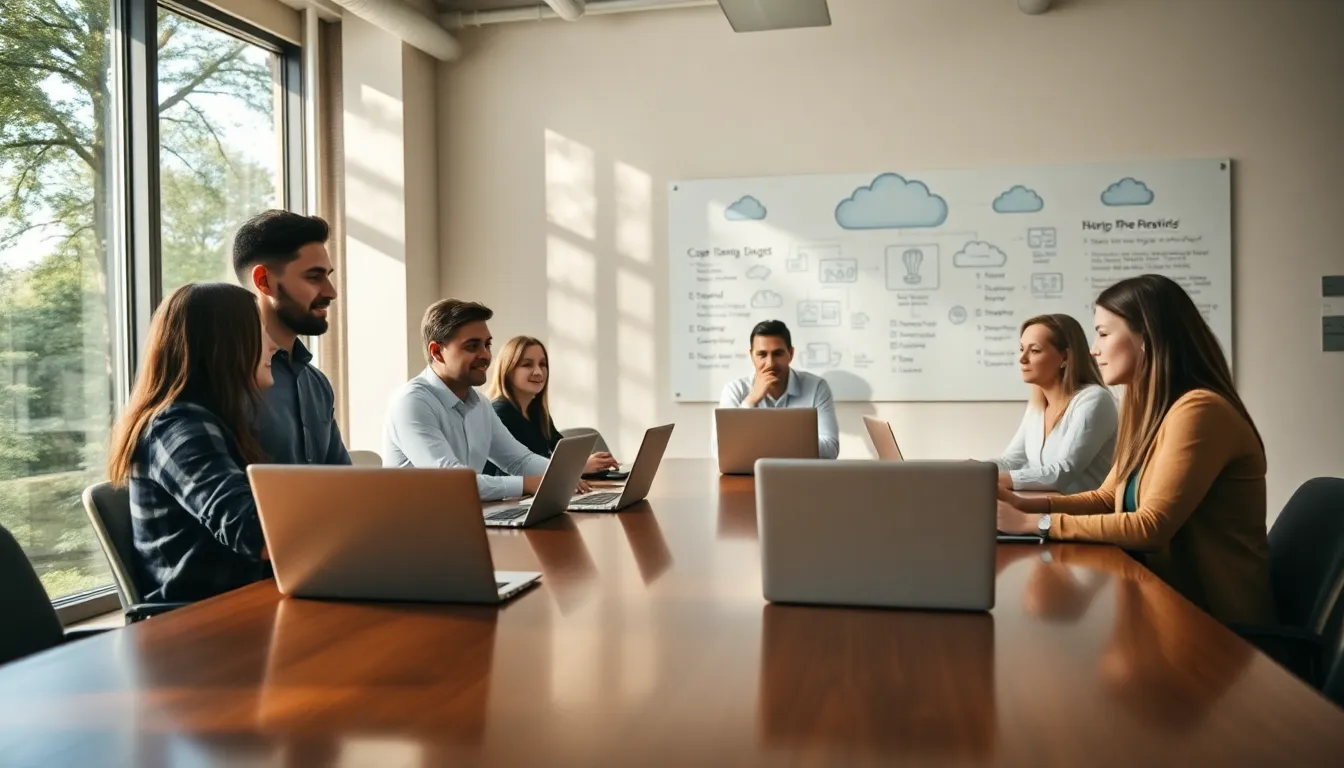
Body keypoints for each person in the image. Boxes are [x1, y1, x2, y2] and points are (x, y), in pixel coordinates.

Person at [996, 274, 1273, 627]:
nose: (1094, 348)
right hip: (1162, 603)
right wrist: (1021, 504)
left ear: (1148, 339)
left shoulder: (1200, 411)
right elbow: (1104, 497)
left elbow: (1150, 526)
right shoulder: (1145, 409)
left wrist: (1037, 523)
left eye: (1103, 333)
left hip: (1216, 623)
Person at [107, 283, 280, 602]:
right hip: (198, 628)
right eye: (261, 332)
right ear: (225, 344)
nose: (273, 345)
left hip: (241, 606)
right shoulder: (179, 428)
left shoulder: (206, 420)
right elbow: (259, 535)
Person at [383, 299, 584, 501]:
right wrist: (526, 484)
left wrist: (562, 476)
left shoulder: (480, 403)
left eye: (487, 344)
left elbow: (518, 461)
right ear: (437, 352)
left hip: (464, 516)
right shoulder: (411, 402)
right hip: (416, 528)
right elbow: (451, 480)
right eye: (472, 346)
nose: (486, 355)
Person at [233, 209, 350, 466]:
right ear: (264, 281)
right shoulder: (224, 381)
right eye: (314, 276)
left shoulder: (317, 384)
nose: (331, 292)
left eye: (327, 277)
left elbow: (343, 485)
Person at [991, 313, 1117, 494]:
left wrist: (994, 478)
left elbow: (1063, 472)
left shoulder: (1094, 400)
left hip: (1085, 517)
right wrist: (976, 469)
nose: (1022, 359)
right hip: (1045, 509)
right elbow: (1012, 460)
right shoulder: (1038, 406)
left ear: (1065, 358)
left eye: (1034, 351)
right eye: (1021, 349)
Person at [484, 335, 619, 476]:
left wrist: (594, 464)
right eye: (527, 365)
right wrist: (580, 466)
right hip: (507, 498)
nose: (538, 372)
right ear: (507, 370)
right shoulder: (499, 413)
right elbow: (519, 471)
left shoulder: (537, 413)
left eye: (543, 364)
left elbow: (562, 457)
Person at [717, 320, 839, 458]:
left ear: (791, 354)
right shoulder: (735, 389)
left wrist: (763, 445)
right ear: (752, 356)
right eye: (762, 355)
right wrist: (750, 401)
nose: (770, 363)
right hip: (749, 475)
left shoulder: (817, 387)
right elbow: (720, 450)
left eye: (778, 353)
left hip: (800, 475)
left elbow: (830, 448)